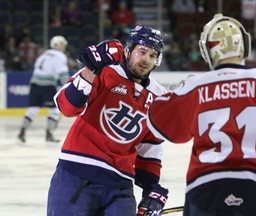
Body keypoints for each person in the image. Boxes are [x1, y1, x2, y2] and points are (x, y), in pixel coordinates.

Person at [147, 13, 256, 216]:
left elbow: (158, 122)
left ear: (207, 50)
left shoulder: (194, 87)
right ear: (244, 45)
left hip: (205, 192)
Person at [47, 25, 169, 216]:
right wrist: (91, 69)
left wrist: (150, 188)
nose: (146, 60)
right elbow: (66, 107)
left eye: (153, 55)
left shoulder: (159, 96)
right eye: (143, 52)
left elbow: (151, 147)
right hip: (77, 177)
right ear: (128, 50)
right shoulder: (104, 72)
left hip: (120, 188)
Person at [17, 35, 69, 143]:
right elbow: (63, 74)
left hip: (35, 84)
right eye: (62, 44)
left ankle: (22, 131)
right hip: (48, 86)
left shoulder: (43, 54)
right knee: (54, 110)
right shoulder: (60, 56)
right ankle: (49, 134)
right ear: (57, 45)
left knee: (33, 109)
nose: (64, 46)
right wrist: (69, 87)